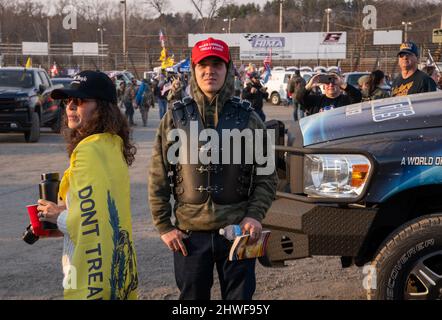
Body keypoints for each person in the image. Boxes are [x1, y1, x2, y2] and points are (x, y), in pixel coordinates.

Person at [148, 37, 278, 300]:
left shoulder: (248, 117)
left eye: (217, 64)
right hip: (189, 237)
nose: (210, 71)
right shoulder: (174, 117)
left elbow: (267, 175)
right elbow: (158, 175)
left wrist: (254, 215)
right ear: (194, 69)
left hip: (238, 233)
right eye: (203, 64)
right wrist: (163, 225)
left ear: (227, 69)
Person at [36, 71, 138, 299]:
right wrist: (67, 211)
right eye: (68, 101)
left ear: (101, 107)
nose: (70, 106)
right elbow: (100, 208)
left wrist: (56, 216)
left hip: (93, 277)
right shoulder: (111, 145)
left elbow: (89, 222)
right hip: (115, 267)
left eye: (80, 101)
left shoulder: (89, 151)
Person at [295, 72, 362, 115]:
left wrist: (342, 83)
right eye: (327, 83)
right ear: (323, 86)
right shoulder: (315, 101)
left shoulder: (347, 100)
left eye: (334, 82)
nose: (331, 85)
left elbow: (358, 96)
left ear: (340, 85)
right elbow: (299, 98)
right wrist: (309, 85)